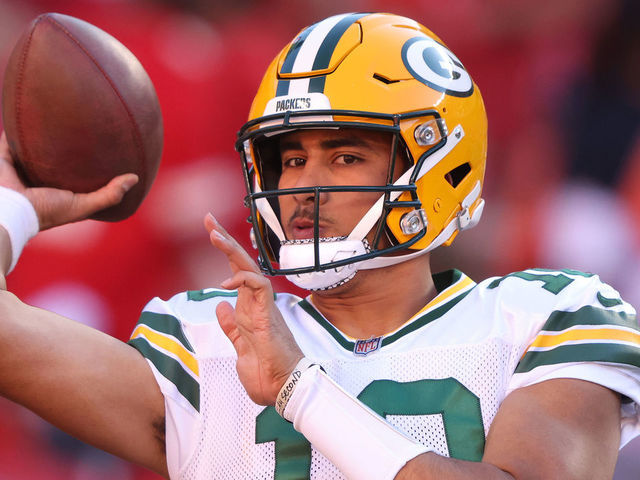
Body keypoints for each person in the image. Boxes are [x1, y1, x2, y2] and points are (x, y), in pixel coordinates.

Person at [0, 11, 639, 480]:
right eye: (291, 159)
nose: (305, 186)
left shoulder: (549, 318)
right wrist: (18, 207)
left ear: (439, 164)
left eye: (345, 154)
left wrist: (298, 389)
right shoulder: (212, 342)